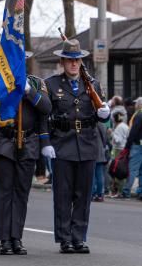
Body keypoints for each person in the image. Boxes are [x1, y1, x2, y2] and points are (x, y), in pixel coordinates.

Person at [41, 39, 110, 254]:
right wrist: (46, 142)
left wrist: (104, 115)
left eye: (77, 60)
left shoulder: (93, 85)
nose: (73, 64)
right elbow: (44, 115)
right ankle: (65, 238)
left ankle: (79, 237)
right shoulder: (51, 84)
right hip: (62, 144)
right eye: (70, 60)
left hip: (87, 145)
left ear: (81, 62)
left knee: (83, 195)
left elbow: (100, 114)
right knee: (63, 195)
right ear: (62, 62)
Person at [0, 51, 52, 255]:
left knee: (21, 192)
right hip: (3, 141)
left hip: (28, 142)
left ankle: (17, 237)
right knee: (4, 192)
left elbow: (46, 108)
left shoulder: (36, 83)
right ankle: (5, 239)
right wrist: (7, 89)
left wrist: (28, 91)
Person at [121, 97, 142, 200]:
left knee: (132, 169)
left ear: (139, 105)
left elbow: (133, 132)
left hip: (138, 145)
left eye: (136, 104)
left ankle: (126, 192)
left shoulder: (139, 115)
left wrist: (127, 145)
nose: (135, 106)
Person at [109, 111, 129, 197]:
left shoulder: (119, 128)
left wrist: (111, 133)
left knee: (117, 171)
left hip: (118, 150)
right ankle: (120, 190)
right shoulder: (125, 125)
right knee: (122, 170)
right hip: (124, 149)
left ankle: (118, 190)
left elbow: (118, 140)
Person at [92, 123, 108, 202]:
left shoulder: (91, 124)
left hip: (91, 151)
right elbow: (105, 139)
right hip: (100, 151)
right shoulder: (103, 125)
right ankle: (100, 194)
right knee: (100, 174)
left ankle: (92, 193)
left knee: (92, 174)